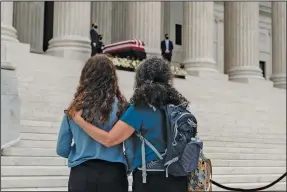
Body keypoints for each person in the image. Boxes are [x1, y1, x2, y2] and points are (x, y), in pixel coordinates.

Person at [71, 57, 190, 192]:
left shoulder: (140, 109)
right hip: (179, 176)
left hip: (150, 178)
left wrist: (79, 120)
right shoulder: (179, 108)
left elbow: (109, 139)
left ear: (141, 78)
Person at [56, 54, 131, 192]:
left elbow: (62, 149)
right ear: (112, 77)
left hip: (81, 174)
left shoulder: (75, 108)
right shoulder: (123, 106)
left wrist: (81, 152)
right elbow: (131, 150)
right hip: (114, 175)